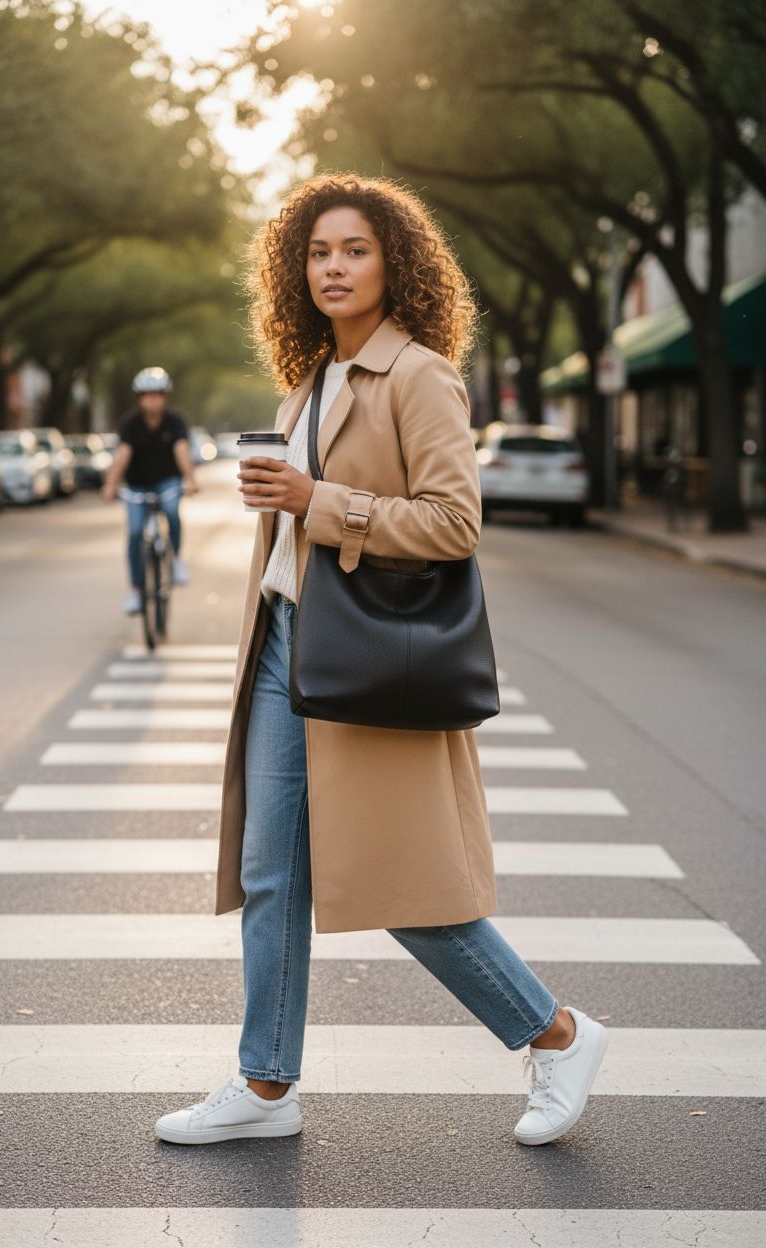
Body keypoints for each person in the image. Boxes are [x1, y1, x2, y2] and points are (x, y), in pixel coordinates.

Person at [154, 174, 608, 1149]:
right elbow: (307, 516)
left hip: (368, 659)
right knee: (271, 874)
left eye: (354, 250)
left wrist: (321, 501)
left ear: (393, 263)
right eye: (318, 253)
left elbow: (454, 524)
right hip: (287, 642)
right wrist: (288, 501)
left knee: (401, 885)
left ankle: (557, 1034)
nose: (333, 267)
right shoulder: (309, 379)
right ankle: (265, 1086)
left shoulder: (421, 376)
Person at [101, 366, 198, 614]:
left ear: (165, 396)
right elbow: (122, 455)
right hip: (137, 485)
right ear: (139, 398)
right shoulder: (130, 424)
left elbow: (181, 450)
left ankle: (175, 560)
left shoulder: (175, 422)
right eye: (146, 395)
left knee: (171, 511)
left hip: (168, 482)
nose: (152, 399)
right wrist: (111, 484)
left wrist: (189, 478)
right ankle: (135, 590)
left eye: (157, 394)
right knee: (134, 532)